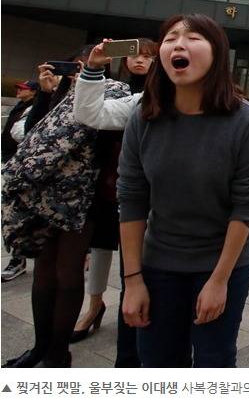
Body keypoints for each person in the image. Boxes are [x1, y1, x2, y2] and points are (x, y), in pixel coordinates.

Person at [116, 14, 249, 367]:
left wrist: (219, 281)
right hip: (159, 260)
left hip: (223, 261)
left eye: (194, 38)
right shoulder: (144, 117)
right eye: (171, 38)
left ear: (217, 54)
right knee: (157, 362)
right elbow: (131, 199)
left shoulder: (245, 120)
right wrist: (133, 279)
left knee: (213, 361)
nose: (179, 44)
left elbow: (245, 206)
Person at [2, 50, 130, 368]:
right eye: (76, 65)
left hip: (81, 194)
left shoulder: (113, 91)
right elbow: (33, 134)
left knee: (68, 270)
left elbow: (94, 132)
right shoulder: (60, 91)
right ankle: (40, 347)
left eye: (87, 65)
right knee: (44, 270)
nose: (79, 70)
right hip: (43, 191)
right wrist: (47, 95)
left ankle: (58, 354)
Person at [69, 39, 157, 366]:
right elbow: (90, 112)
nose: (140, 60)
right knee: (127, 279)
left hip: (171, 225)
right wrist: (93, 69)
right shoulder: (140, 100)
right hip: (120, 195)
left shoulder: (226, 109)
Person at [1, 79, 39, 283]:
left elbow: (21, 133)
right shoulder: (22, 106)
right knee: (11, 214)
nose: (18, 91)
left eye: (23, 89)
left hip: (29, 169)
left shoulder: (39, 105)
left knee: (21, 216)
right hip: (13, 164)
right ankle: (18, 257)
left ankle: (19, 259)